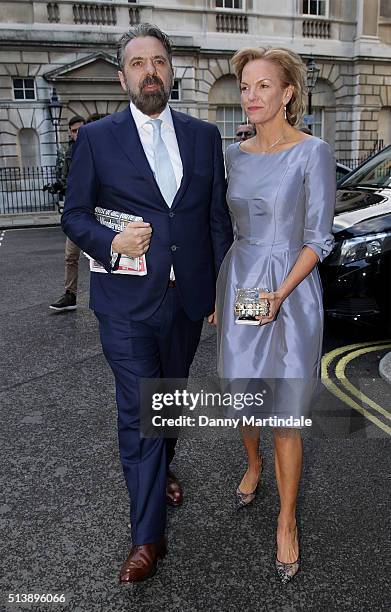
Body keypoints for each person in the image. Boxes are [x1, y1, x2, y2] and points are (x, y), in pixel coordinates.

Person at [61, 24, 233, 583]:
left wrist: (213, 289)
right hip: (127, 302)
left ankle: (163, 468)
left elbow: (213, 219)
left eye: (158, 61)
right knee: (140, 411)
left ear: (171, 70)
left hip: (186, 299)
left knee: (171, 398)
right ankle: (146, 536)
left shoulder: (204, 135)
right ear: (122, 77)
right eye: (138, 63)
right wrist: (110, 243)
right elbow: (75, 215)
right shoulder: (97, 138)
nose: (150, 71)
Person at [216, 46, 335, 583]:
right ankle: (254, 462)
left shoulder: (313, 152)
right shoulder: (235, 154)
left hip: (291, 288)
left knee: (285, 408)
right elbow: (230, 228)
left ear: (288, 93)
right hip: (241, 281)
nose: (251, 97)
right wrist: (225, 294)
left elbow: (318, 238)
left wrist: (281, 293)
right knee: (242, 393)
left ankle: (286, 519)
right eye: (245, 87)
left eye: (263, 86)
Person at [50, 115, 86, 312]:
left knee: (108, 255)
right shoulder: (67, 155)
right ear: (70, 133)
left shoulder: (98, 148)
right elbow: (64, 178)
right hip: (77, 211)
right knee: (71, 255)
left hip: (97, 211)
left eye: (81, 129)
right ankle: (70, 295)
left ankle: (117, 296)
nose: (78, 133)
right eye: (74, 131)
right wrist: (59, 185)